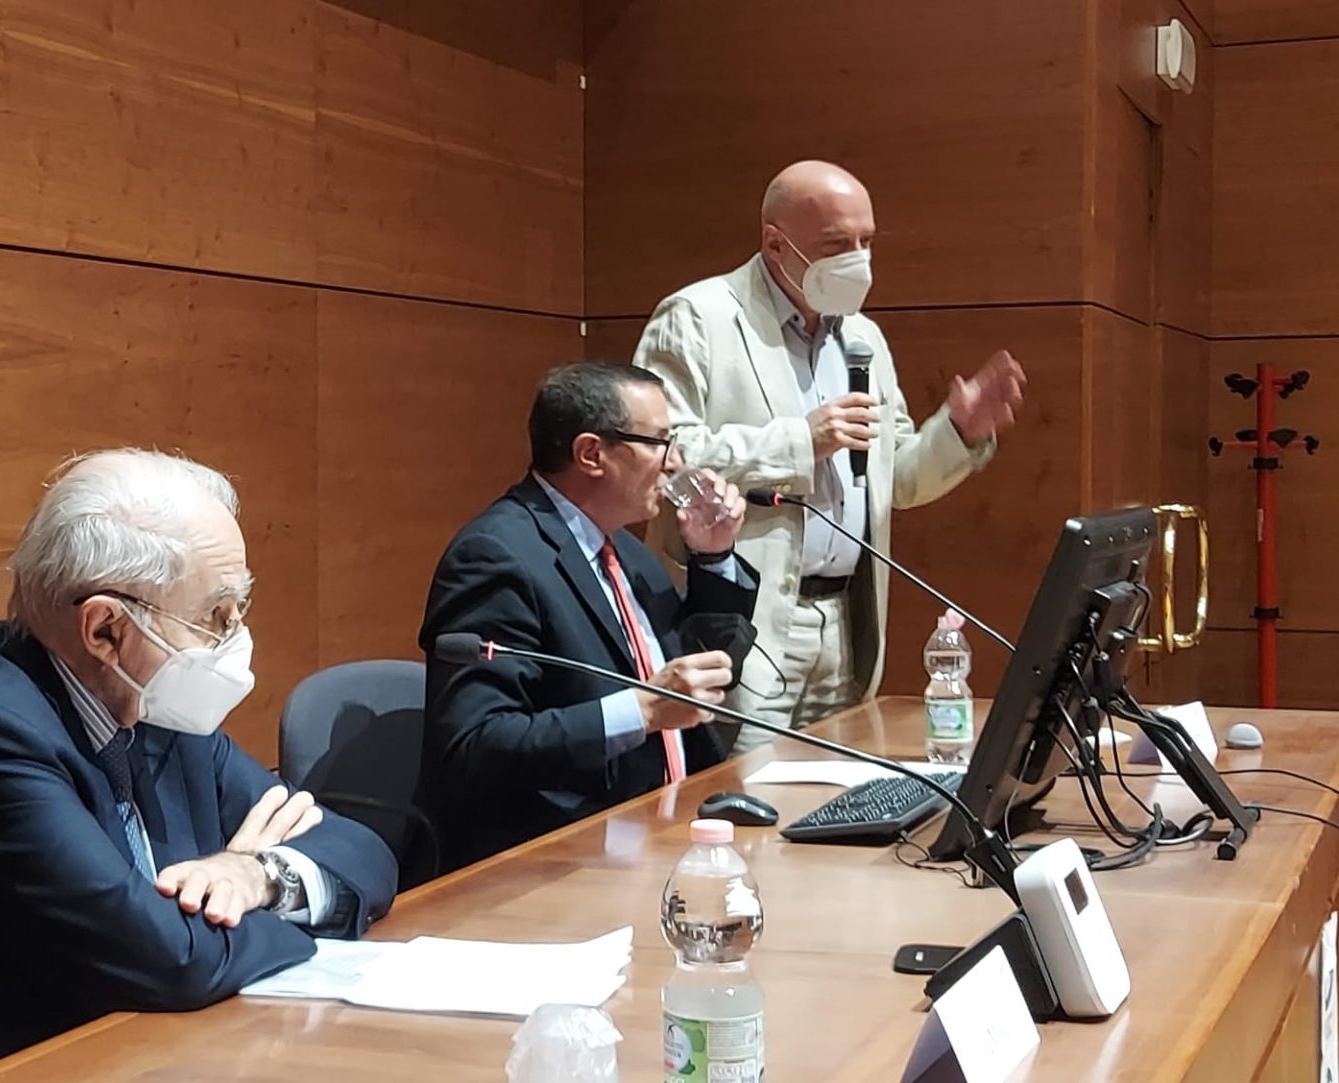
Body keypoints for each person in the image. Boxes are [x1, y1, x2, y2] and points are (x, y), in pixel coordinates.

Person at [0, 449, 397, 1083]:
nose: (234, 638)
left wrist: (258, 875)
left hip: (163, 1056)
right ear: (105, 630)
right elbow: (167, 960)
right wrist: (235, 920)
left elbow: (363, 853)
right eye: (215, 616)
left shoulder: (158, 710)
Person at [633, 160, 1026, 748]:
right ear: (775, 244)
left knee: (837, 788)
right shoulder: (699, 317)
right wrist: (801, 441)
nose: (858, 261)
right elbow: (663, 456)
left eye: (868, 242)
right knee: (748, 788)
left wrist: (958, 433)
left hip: (845, 622)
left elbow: (896, 480)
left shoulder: (863, 338)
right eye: (838, 245)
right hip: (748, 620)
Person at [418, 362, 758, 871]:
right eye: (660, 442)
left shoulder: (627, 554)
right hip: (554, 858)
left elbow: (702, 677)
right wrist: (641, 711)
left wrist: (713, 557)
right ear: (591, 454)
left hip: (661, 830)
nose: (675, 462)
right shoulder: (495, 556)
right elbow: (475, 746)